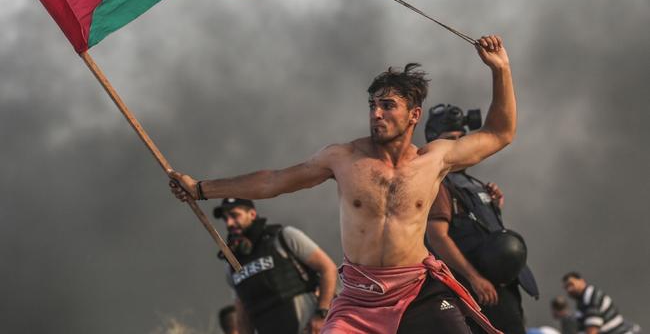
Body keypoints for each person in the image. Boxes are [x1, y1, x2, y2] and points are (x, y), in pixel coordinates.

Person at [171, 35, 513, 334]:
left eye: (387, 105)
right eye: (372, 105)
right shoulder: (343, 158)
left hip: (417, 290)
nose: (376, 114)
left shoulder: (434, 159)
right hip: (360, 300)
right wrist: (200, 189)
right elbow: (274, 181)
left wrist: (500, 70)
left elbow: (500, 133)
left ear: (414, 115)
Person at [425, 104, 538, 334]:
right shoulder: (438, 183)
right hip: (479, 290)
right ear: (434, 141)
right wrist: (474, 278)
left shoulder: (470, 182)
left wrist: (491, 205)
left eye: (461, 138)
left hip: (501, 284)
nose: (458, 144)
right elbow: (437, 237)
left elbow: (477, 231)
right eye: (450, 139)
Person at [214, 198, 337, 334]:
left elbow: (328, 268)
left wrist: (322, 315)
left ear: (252, 214)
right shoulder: (232, 265)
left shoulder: (284, 237)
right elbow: (243, 311)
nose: (229, 223)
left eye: (234, 215)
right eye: (225, 219)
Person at [563, 272, 641, 334]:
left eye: (571, 284)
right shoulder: (582, 300)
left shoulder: (591, 298)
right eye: (566, 287)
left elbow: (592, 330)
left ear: (582, 281)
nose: (569, 289)